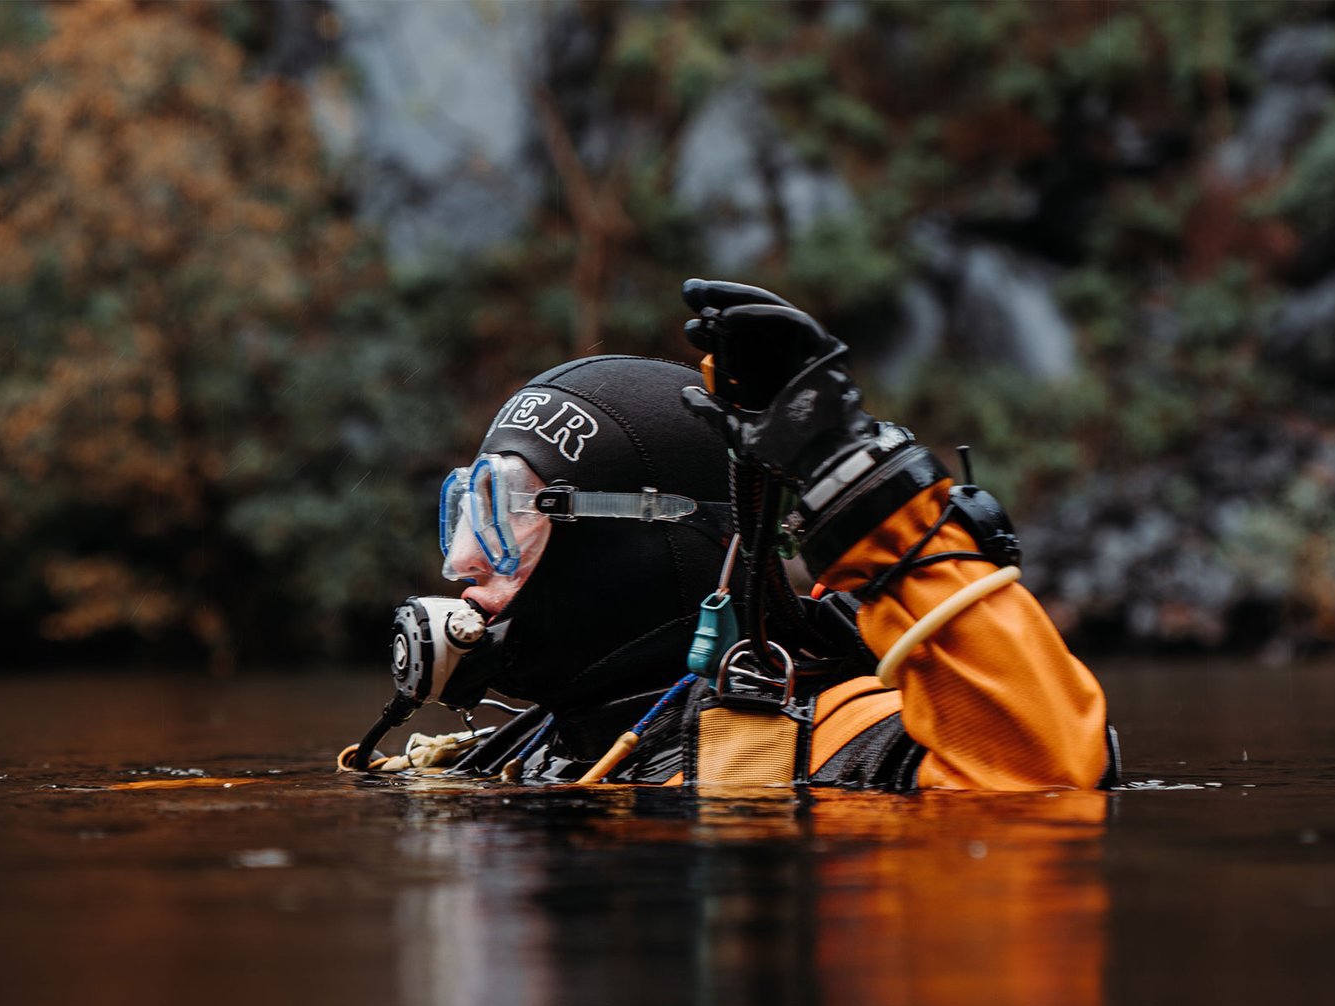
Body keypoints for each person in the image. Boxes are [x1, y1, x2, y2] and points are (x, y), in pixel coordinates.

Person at [344, 279, 1118, 791]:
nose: (462, 559)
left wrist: (860, 486)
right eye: (465, 511)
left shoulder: (830, 738)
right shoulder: (529, 748)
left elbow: (1045, 775)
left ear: (638, 545)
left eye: (507, 513)